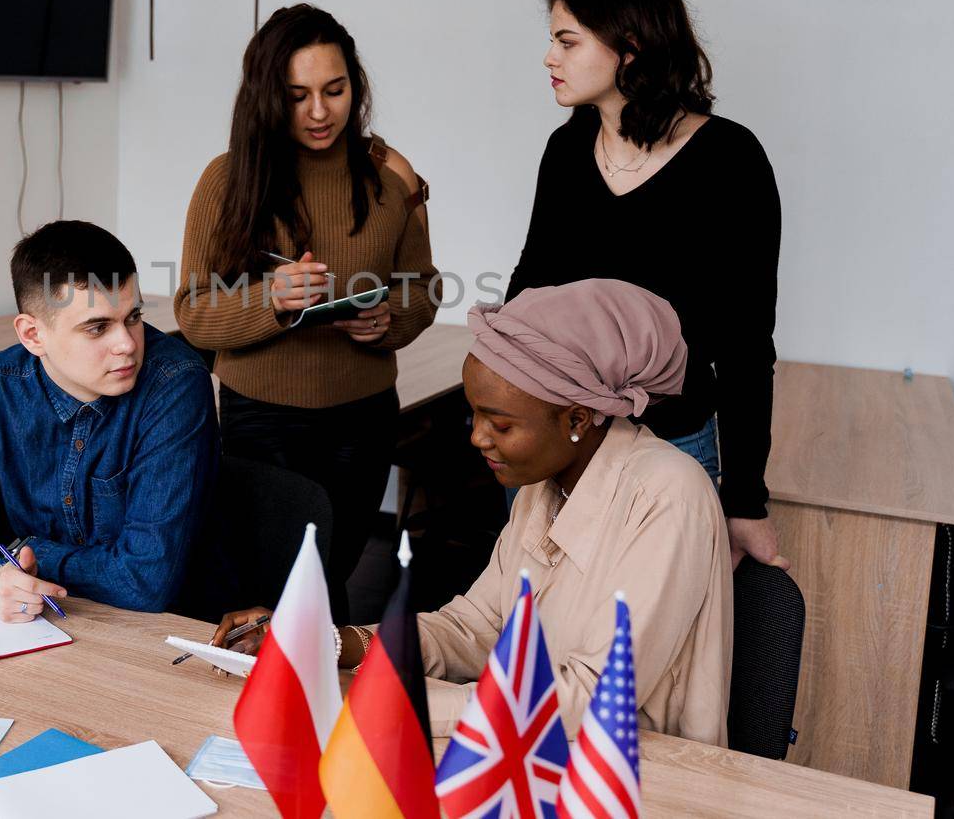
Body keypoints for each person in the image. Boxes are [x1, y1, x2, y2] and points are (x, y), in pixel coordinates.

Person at [213, 279, 733, 745]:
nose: (478, 437)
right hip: (525, 750)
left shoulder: (670, 495)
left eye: (500, 424)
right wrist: (325, 644)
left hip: (637, 776)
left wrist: (378, 705)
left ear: (577, 418)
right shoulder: (545, 482)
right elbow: (477, 628)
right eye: (475, 414)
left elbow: (591, 700)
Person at [509, 0, 788, 570]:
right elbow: (528, 292)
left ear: (629, 48)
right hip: (560, 441)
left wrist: (746, 500)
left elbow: (745, 345)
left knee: (638, 654)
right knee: (536, 643)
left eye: (566, 41)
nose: (550, 58)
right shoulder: (566, 149)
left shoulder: (730, 160)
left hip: (672, 448)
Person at [173, 3, 438, 618]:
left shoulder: (388, 176)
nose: (320, 112)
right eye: (298, 95)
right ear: (268, 97)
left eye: (335, 90)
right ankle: (265, 705)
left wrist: (387, 322)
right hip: (260, 420)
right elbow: (194, 311)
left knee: (329, 579)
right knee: (273, 587)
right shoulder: (227, 180)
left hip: (362, 420)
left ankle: (323, 698)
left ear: (355, 87)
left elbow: (422, 288)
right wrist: (273, 298)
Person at [0, 220, 218, 618]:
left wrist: (26, 551)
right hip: (41, 623)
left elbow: (147, 581)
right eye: (97, 327)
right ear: (33, 335)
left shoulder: (175, 384)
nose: (127, 344)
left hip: (153, 630)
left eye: (132, 317)